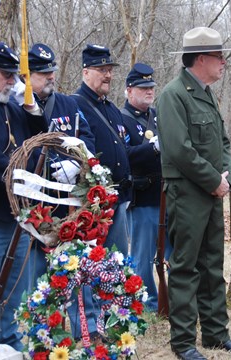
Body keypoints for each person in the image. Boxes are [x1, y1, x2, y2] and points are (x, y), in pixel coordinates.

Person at [156, 27, 231, 360]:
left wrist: (222, 176)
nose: (224, 63)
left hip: (211, 191)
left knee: (212, 265)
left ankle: (215, 334)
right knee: (185, 268)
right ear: (200, 59)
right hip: (187, 193)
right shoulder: (172, 95)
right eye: (219, 57)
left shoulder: (207, 93)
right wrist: (213, 180)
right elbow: (179, 150)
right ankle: (183, 343)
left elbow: (222, 142)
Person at [25, 42, 99, 338]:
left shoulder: (69, 105)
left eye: (51, 72)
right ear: (27, 76)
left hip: (69, 202)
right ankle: (46, 333)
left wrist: (79, 164)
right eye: (43, 74)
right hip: (36, 206)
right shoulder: (19, 107)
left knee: (76, 267)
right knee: (40, 276)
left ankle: (87, 328)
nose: (50, 78)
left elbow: (88, 140)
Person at [0, 42, 47, 350]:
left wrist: (33, 110)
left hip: (17, 215)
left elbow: (36, 141)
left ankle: (7, 340)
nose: (11, 82)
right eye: (6, 75)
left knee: (12, 288)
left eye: (12, 75)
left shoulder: (13, 108)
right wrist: (17, 174)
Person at [120, 63, 171, 313]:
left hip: (166, 194)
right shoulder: (121, 119)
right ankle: (146, 301)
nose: (149, 91)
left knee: (173, 251)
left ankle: (172, 297)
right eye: (143, 88)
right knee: (142, 255)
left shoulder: (158, 115)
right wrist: (153, 148)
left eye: (151, 87)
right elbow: (124, 155)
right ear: (129, 90)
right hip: (142, 196)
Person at [73, 44, 131, 255]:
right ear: (85, 72)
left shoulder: (112, 109)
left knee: (117, 262)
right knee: (92, 263)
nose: (108, 75)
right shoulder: (74, 105)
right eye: (101, 70)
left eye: (109, 70)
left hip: (118, 199)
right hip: (93, 204)